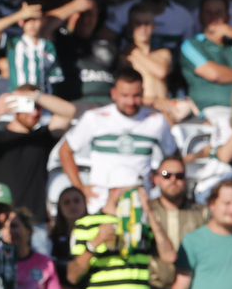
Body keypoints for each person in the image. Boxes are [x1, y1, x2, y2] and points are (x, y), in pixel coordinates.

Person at [67, 187, 177, 289]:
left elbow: (169, 256)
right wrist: (94, 243)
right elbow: (73, 275)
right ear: (114, 190)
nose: (135, 195)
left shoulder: (143, 225)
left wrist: (149, 212)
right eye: (130, 189)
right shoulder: (87, 224)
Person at [60, 69, 180, 214]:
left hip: (140, 207)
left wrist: (160, 174)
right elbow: (65, 151)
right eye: (125, 95)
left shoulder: (156, 120)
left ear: (143, 92)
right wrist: (79, 188)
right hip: (101, 204)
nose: (130, 101)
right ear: (113, 94)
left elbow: (174, 158)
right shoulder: (95, 118)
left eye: (136, 95)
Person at [0, 87, 73, 225]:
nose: (35, 112)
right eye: (30, 105)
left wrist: (33, 96)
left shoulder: (42, 137)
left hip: (35, 223)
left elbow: (68, 112)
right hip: (2, 222)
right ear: (16, 105)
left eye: (39, 107)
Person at [146, 156, 209, 289]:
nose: (173, 180)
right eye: (167, 174)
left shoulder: (202, 213)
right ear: (156, 179)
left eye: (179, 176)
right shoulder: (145, 211)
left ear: (186, 180)